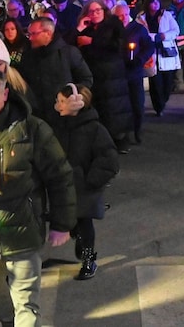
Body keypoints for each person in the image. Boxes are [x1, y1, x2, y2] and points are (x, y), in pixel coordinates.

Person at [0, 68, 76, 327]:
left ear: (6, 94)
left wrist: (62, 223)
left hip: (23, 231)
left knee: (27, 304)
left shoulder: (31, 129)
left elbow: (60, 175)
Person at [51, 84, 119, 281]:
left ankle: (89, 259)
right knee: (71, 221)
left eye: (63, 101)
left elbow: (109, 159)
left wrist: (90, 180)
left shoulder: (94, 129)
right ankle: (79, 240)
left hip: (83, 188)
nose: (58, 105)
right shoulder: (58, 126)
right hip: (62, 185)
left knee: (83, 221)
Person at [74, 0, 133, 153]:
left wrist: (92, 41)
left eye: (98, 10)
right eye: (91, 11)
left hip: (113, 73)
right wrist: (79, 28)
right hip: (94, 73)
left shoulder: (113, 24)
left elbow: (118, 45)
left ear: (104, 10)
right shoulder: (85, 27)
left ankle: (120, 139)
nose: (94, 14)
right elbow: (70, 44)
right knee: (99, 108)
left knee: (115, 108)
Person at [15, 17, 93, 123]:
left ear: (48, 33)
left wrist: (72, 99)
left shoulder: (69, 53)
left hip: (66, 118)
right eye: (29, 34)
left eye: (33, 34)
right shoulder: (28, 56)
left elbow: (86, 79)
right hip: (38, 118)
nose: (30, 38)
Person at [112, 3, 154, 144]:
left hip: (134, 72)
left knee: (137, 103)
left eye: (124, 15)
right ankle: (125, 133)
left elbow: (149, 46)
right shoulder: (112, 30)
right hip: (118, 74)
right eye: (119, 16)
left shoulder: (138, 28)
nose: (122, 18)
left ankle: (138, 130)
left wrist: (140, 59)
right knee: (122, 106)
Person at [136, 0, 181, 116]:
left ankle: (163, 100)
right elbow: (137, 33)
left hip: (165, 52)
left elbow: (176, 30)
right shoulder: (141, 18)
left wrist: (164, 36)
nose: (155, 4)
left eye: (157, 2)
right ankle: (158, 107)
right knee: (155, 83)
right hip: (150, 53)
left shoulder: (166, 15)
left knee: (167, 82)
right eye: (152, 2)